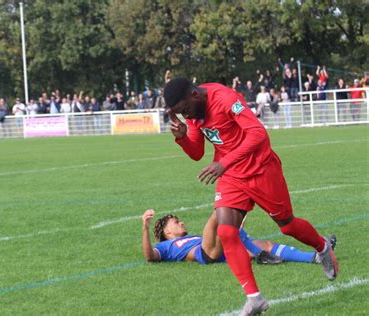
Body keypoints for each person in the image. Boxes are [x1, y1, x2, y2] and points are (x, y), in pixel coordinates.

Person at [163, 78, 338, 315]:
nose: (186, 116)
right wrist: (182, 137)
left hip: (261, 169)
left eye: (185, 110)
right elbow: (197, 153)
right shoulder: (193, 113)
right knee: (226, 232)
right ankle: (254, 297)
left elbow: (258, 134)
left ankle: (322, 247)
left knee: (287, 226)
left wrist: (224, 162)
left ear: (194, 94)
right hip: (232, 176)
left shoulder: (225, 99)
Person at [142, 210, 336, 265]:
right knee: (218, 213)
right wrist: (145, 227)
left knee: (267, 244)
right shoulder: (167, 246)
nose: (181, 222)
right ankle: (257, 253)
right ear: (167, 233)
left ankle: (315, 257)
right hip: (205, 253)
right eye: (176, 222)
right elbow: (150, 256)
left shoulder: (193, 236)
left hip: (218, 251)